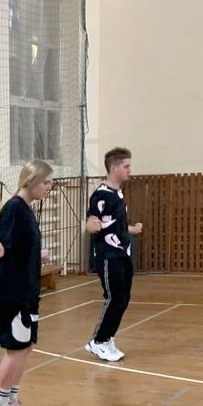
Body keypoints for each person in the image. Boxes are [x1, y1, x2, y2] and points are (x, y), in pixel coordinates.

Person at [0, 160, 54, 406]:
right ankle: (0, 402)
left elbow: (19, 247)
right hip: (9, 292)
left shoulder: (27, 209)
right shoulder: (14, 208)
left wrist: (36, 254)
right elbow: (0, 244)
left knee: (27, 346)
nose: (49, 187)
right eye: (46, 182)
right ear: (31, 181)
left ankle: (11, 398)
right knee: (17, 348)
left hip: (27, 291)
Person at [84, 147, 143, 362]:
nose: (129, 170)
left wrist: (131, 229)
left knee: (123, 298)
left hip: (122, 253)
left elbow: (114, 224)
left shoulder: (118, 194)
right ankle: (98, 341)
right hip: (108, 255)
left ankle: (108, 337)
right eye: (126, 166)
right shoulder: (101, 195)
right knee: (114, 297)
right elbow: (92, 221)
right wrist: (89, 225)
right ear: (114, 168)